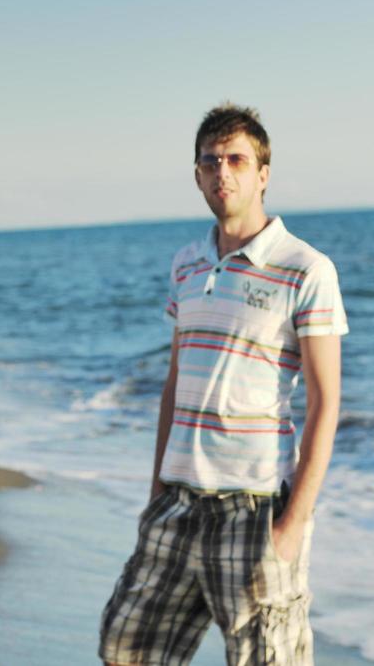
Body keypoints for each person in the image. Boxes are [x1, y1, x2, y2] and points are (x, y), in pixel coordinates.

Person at [99, 103, 348, 666]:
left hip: (255, 505)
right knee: (126, 647)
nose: (222, 172)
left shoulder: (306, 268)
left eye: (236, 159)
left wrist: (294, 521)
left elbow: (326, 401)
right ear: (197, 176)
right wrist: (156, 490)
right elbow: (174, 382)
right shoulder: (187, 265)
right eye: (210, 161)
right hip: (178, 500)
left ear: (263, 174)